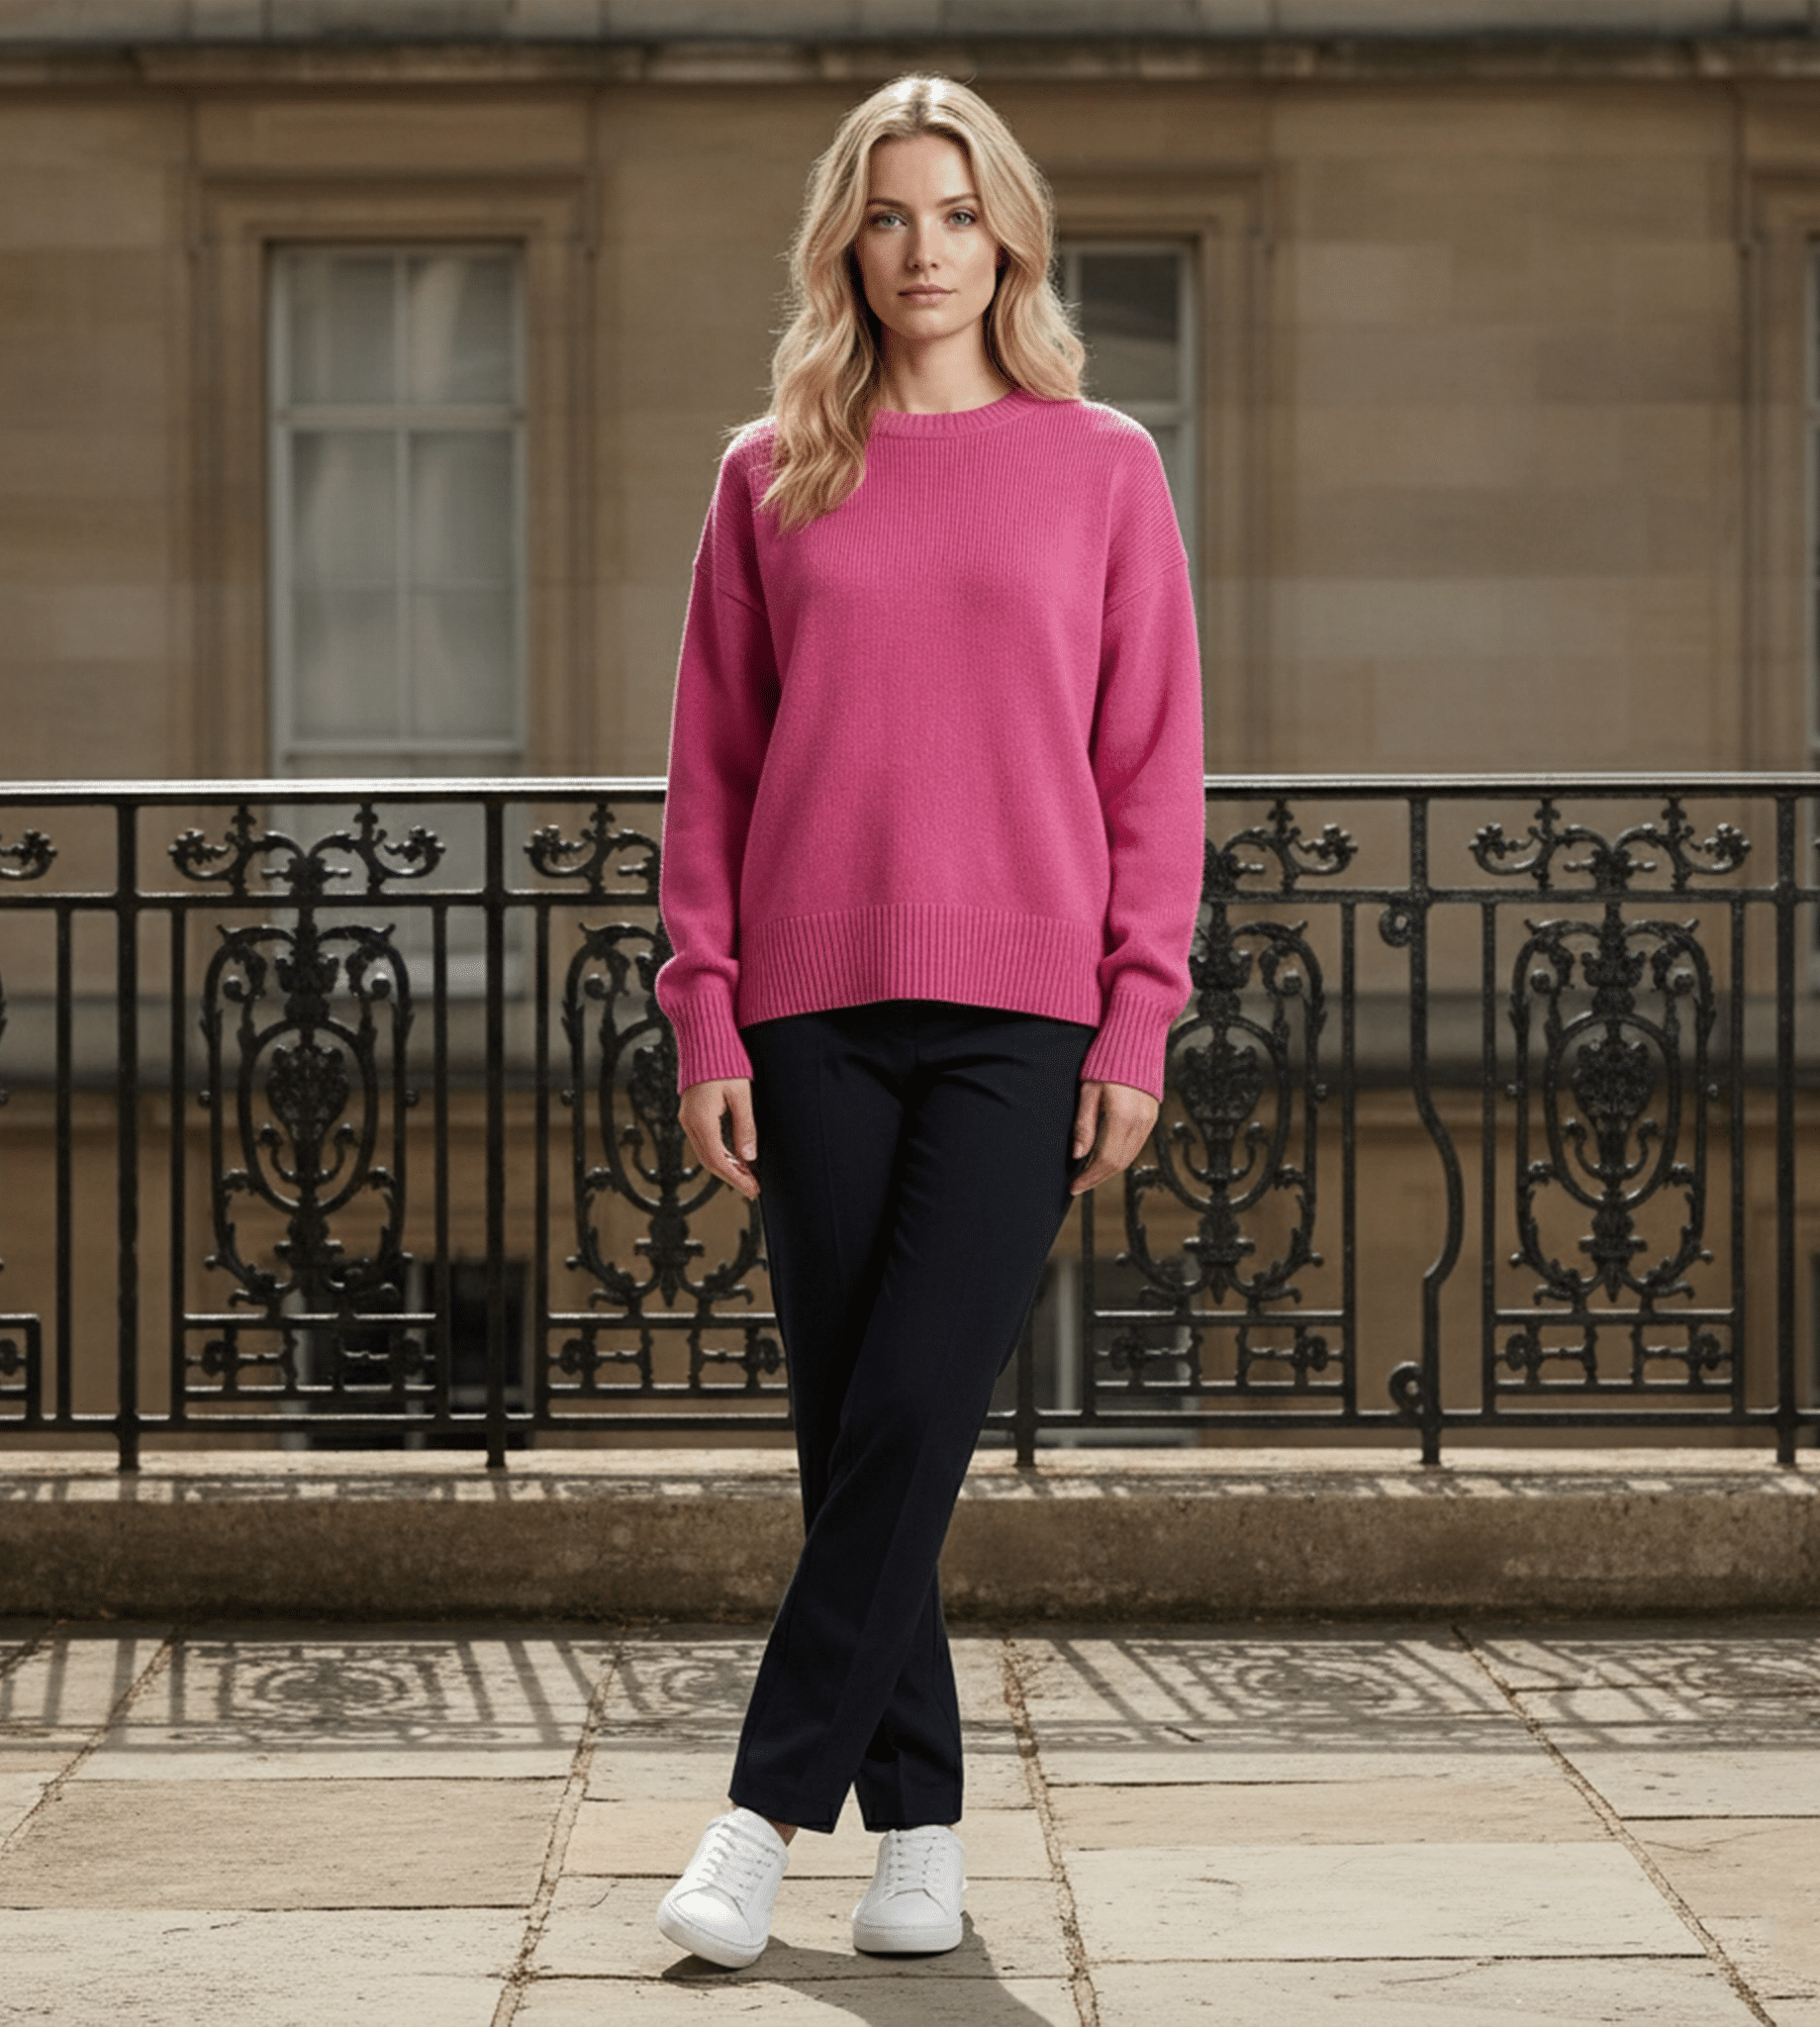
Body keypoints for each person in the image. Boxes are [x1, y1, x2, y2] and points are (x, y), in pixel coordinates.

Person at [650, 73, 1204, 1971]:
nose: (926, 250)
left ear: (1009, 236)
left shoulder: (1104, 465)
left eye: (957, 213)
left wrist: (1137, 1022)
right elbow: (710, 770)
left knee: (914, 1406)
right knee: (850, 1427)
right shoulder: (769, 468)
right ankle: (924, 1836)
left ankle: (755, 1813)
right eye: (890, 216)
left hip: (1018, 1011)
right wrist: (702, 1013)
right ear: (849, 243)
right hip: (805, 1009)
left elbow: (1153, 767)